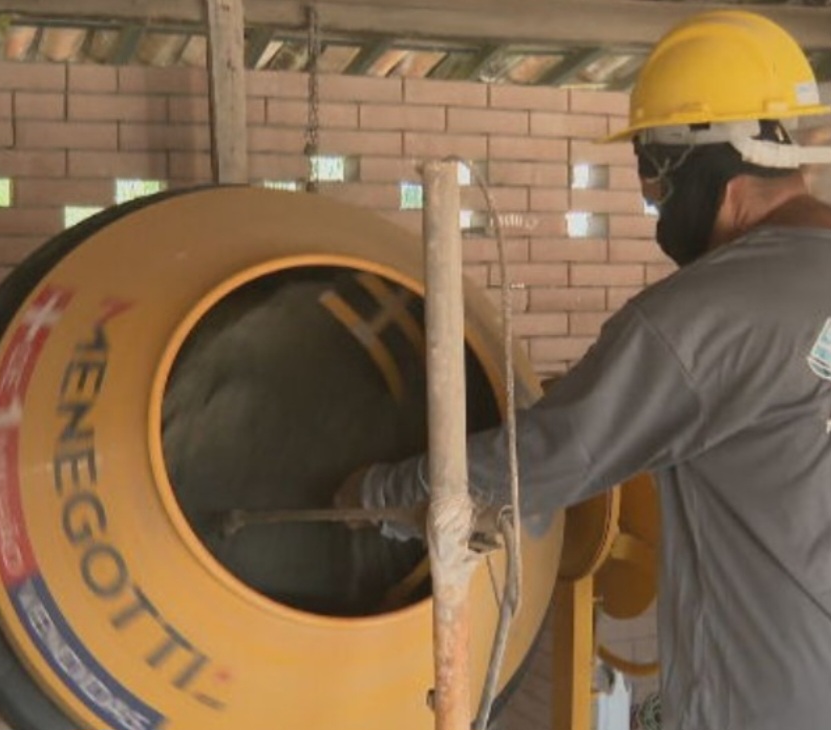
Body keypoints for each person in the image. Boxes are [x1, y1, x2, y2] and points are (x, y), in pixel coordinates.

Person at [338, 10, 831, 729]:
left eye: (651, 186)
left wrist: (376, 496)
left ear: (696, 166)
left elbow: (546, 458)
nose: (655, 210)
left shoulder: (701, 317)